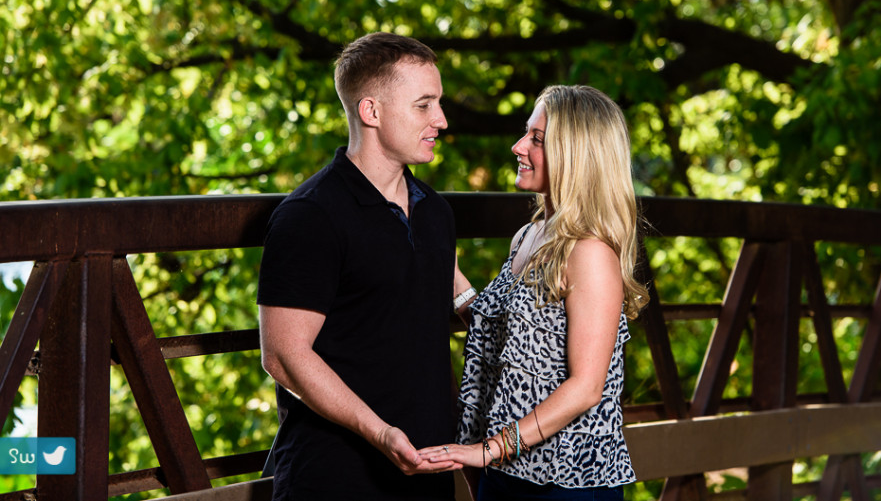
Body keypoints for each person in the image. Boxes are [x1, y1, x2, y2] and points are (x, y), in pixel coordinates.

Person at [257, 32, 464, 501]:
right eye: (424, 105)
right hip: (335, 476)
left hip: (428, 472)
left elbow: (443, 302)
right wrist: (381, 433)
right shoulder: (309, 215)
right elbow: (284, 357)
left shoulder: (435, 211)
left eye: (439, 104)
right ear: (371, 112)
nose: (442, 120)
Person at [421, 85, 648, 500]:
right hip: (512, 470)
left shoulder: (590, 252)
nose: (518, 146)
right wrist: (449, 270)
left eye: (537, 139)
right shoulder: (531, 235)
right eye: (526, 133)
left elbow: (586, 388)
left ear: (575, 154)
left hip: (567, 481)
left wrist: (486, 451)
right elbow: (511, 338)